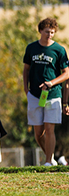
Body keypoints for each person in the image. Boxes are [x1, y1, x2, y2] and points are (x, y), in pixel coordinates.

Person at [23, 17, 69, 166]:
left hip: (53, 94)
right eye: (47, 32)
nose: (49, 35)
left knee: (50, 129)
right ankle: (53, 157)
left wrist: (52, 83)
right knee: (38, 133)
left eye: (52, 32)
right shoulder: (31, 48)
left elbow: (66, 74)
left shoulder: (59, 50)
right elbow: (26, 70)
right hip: (35, 95)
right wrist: (26, 88)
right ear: (40, 31)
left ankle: (48, 161)